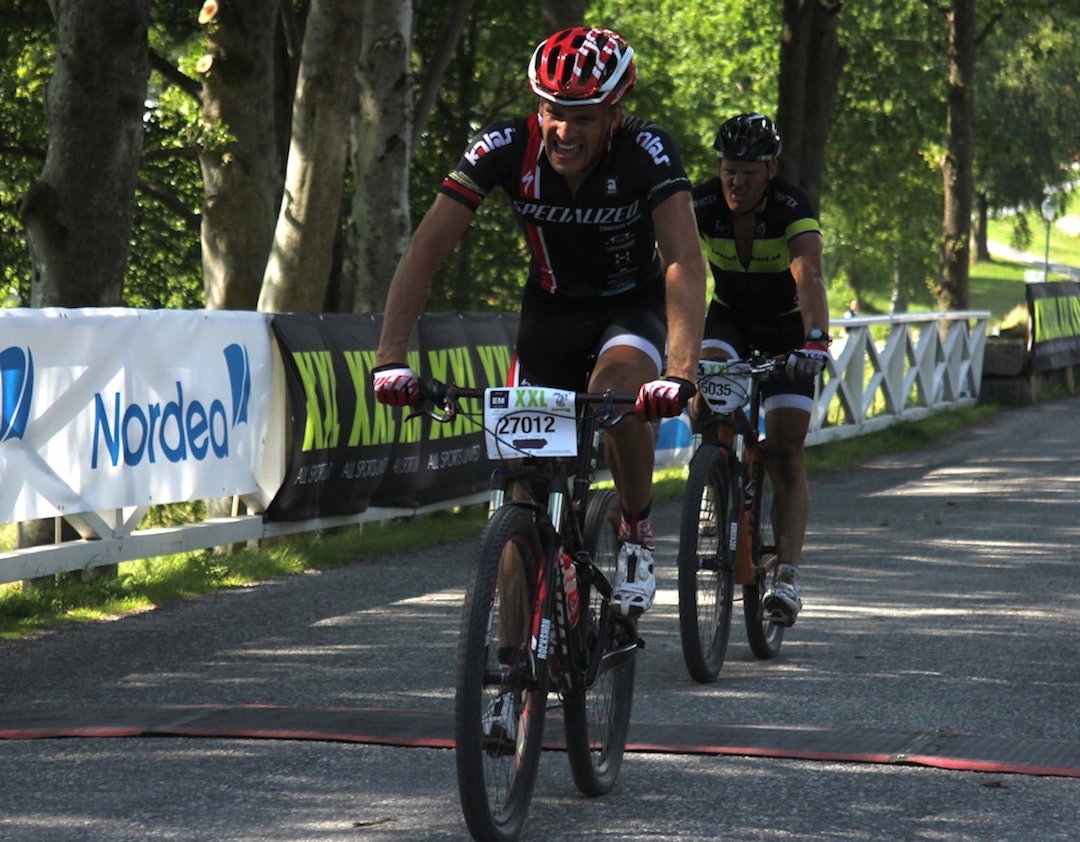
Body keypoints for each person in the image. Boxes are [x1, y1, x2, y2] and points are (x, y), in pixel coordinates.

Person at [371, 27, 706, 621]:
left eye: (583, 117)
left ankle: (635, 531)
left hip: (629, 305)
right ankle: (507, 678)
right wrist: (391, 358)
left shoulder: (645, 148)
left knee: (614, 400)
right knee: (519, 483)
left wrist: (679, 373)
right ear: (537, 108)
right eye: (554, 113)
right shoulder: (502, 146)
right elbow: (426, 249)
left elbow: (682, 257)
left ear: (615, 113)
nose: (565, 131)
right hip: (549, 312)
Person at [690, 112, 830, 627]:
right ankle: (712, 482)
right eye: (729, 168)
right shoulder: (701, 203)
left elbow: (808, 275)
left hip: (787, 329)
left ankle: (787, 574)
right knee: (701, 389)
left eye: (749, 171)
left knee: (786, 450)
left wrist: (815, 339)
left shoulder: (792, 205)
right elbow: (674, 265)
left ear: (770, 171)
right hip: (729, 320)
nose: (736, 181)